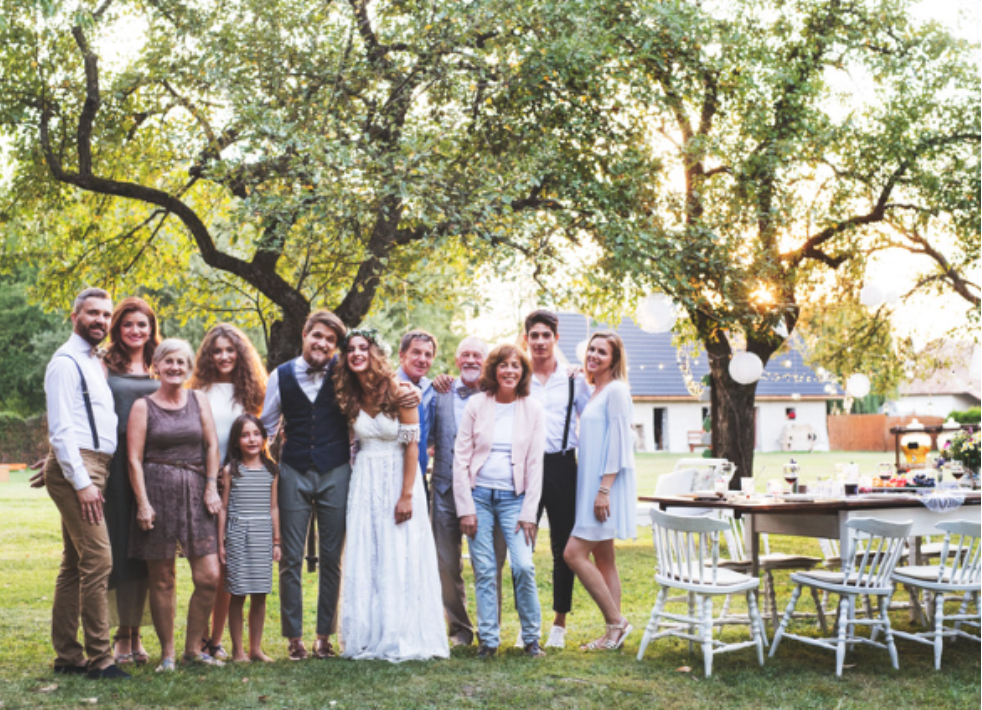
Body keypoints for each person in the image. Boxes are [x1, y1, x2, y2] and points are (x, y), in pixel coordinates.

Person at [260, 310, 420, 661]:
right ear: (305, 334)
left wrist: (412, 390)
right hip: (293, 470)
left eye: (331, 341)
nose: (322, 344)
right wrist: (259, 468)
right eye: (317, 336)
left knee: (333, 558)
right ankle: (294, 638)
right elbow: (265, 426)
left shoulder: (346, 372)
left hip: (336, 472)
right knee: (290, 558)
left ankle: (323, 637)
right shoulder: (280, 376)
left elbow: (383, 385)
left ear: (337, 347)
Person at [334, 328, 449, 662]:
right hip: (365, 480)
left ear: (375, 353)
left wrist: (407, 496)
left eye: (363, 348)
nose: (357, 354)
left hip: (399, 477)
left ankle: (400, 631)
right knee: (368, 551)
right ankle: (368, 634)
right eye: (351, 349)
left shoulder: (400, 390)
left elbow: (412, 446)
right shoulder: (349, 394)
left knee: (400, 552)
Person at [42, 288, 130, 679]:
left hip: (94, 464)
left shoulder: (94, 361)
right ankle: (101, 659)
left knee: (75, 564)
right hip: (82, 468)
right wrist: (79, 480)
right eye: (92, 313)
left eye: (106, 315)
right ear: (75, 315)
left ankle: (67, 655)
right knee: (98, 561)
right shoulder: (64, 363)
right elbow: (61, 430)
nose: (101, 320)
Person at [127, 339, 224, 671]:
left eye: (182, 362)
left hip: (197, 491)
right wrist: (142, 503)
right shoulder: (143, 406)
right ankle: (168, 653)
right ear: (156, 365)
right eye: (168, 361)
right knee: (163, 577)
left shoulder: (199, 400)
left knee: (209, 575)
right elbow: (134, 460)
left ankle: (193, 649)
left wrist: (211, 487)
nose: (175, 367)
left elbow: (212, 446)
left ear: (189, 368)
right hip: (157, 492)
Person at [454, 344, 546, 659]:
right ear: (494, 369)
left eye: (515, 365)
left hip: (515, 501)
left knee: (523, 566)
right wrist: (465, 508)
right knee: (485, 569)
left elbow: (536, 465)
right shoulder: (477, 404)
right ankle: (488, 641)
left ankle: (532, 638)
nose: (509, 371)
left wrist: (529, 513)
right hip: (479, 497)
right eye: (503, 365)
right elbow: (460, 458)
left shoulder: (532, 408)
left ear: (522, 372)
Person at [190, 323, 268, 661]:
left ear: (240, 353)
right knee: (207, 567)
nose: (224, 356)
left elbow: (261, 434)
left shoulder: (251, 392)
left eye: (230, 350)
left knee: (227, 567)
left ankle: (216, 639)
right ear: (208, 355)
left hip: (236, 484)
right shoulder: (198, 390)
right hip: (204, 481)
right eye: (217, 350)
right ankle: (200, 635)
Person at [428, 336, 507, 647]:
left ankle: (491, 628)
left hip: (488, 489)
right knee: (447, 563)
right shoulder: (440, 393)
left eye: (478, 355)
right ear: (457, 360)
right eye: (466, 355)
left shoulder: (498, 394)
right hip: (446, 488)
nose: (472, 360)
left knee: (490, 562)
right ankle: (460, 628)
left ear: (485, 361)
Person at [563, 332, 637, 651]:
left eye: (601, 352)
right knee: (604, 557)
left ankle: (617, 623)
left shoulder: (617, 390)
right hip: (590, 484)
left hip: (603, 486)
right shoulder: (596, 391)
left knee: (573, 553)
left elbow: (621, 442)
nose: (593, 355)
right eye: (591, 350)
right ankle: (612, 635)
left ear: (614, 359)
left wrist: (604, 489)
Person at [524, 309, 591, 649]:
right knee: (522, 546)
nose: (539, 341)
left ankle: (559, 624)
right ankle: (528, 624)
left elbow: (592, 417)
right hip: (526, 469)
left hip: (564, 467)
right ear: (526, 339)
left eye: (545, 335)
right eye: (533, 336)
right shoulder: (518, 376)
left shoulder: (573, 378)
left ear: (555, 339)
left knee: (563, 548)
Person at [103, 297, 161, 666]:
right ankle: (121, 635)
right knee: (119, 553)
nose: (136, 331)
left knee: (147, 555)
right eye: (128, 324)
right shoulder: (102, 365)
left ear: (152, 329)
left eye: (142, 324)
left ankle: (138, 634)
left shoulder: (162, 366)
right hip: (114, 470)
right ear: (117, 329)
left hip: (153, 469)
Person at [217, 414, 281, 663]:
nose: (251, 439)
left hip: (262, 534)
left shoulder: (271, 470)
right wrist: (222, 541)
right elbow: (223, 508)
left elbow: (273, 507)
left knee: (260, 593)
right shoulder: (231, 470)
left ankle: (255, 649)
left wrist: (276, 541)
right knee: (238, 592)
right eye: (244, 435)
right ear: (236, 442)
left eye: (256, 433)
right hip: (237, 535)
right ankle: (238, 651)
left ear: (264, 438)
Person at [396, 330, 439, 498]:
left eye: (428, 355)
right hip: (390, 472)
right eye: (416, 352)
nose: (422, 359)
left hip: (420, 477)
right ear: (402, 355)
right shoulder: (385, 385)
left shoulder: (433, 390)